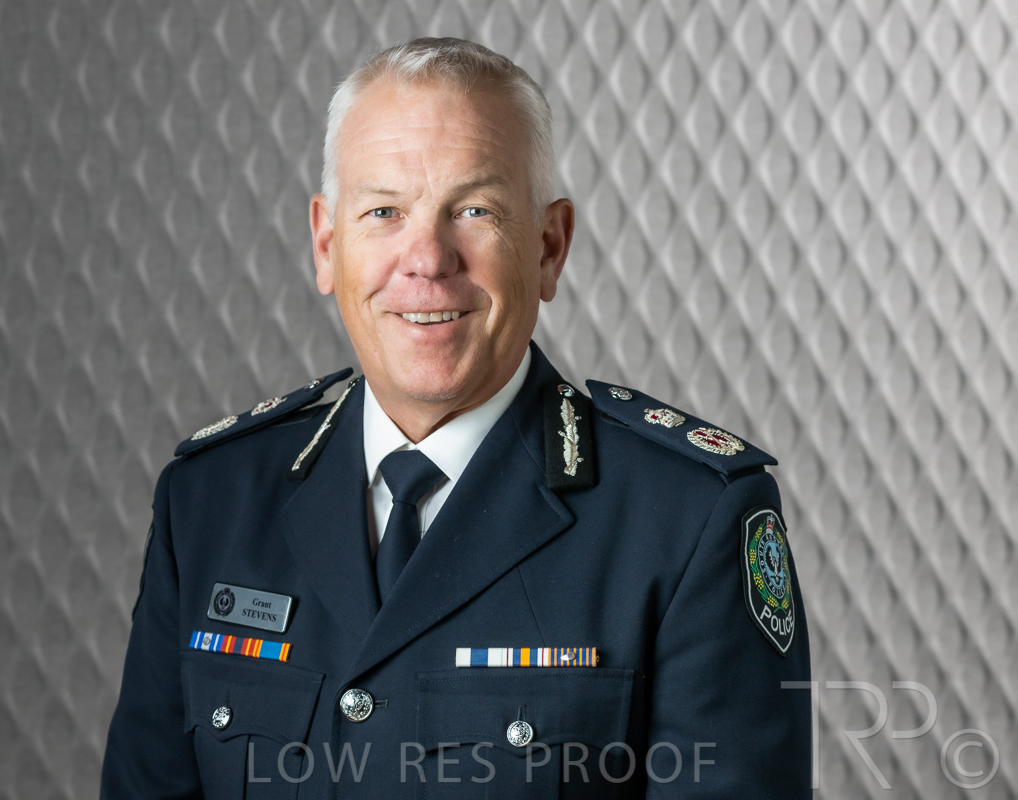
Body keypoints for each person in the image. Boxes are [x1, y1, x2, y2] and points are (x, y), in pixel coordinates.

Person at [101, 37, 811, 798]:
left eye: (474, 211)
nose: (428, 259)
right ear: (326, 244)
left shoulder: (688, 518)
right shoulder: (208, 503)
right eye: (383, 211)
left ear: (549, 247)